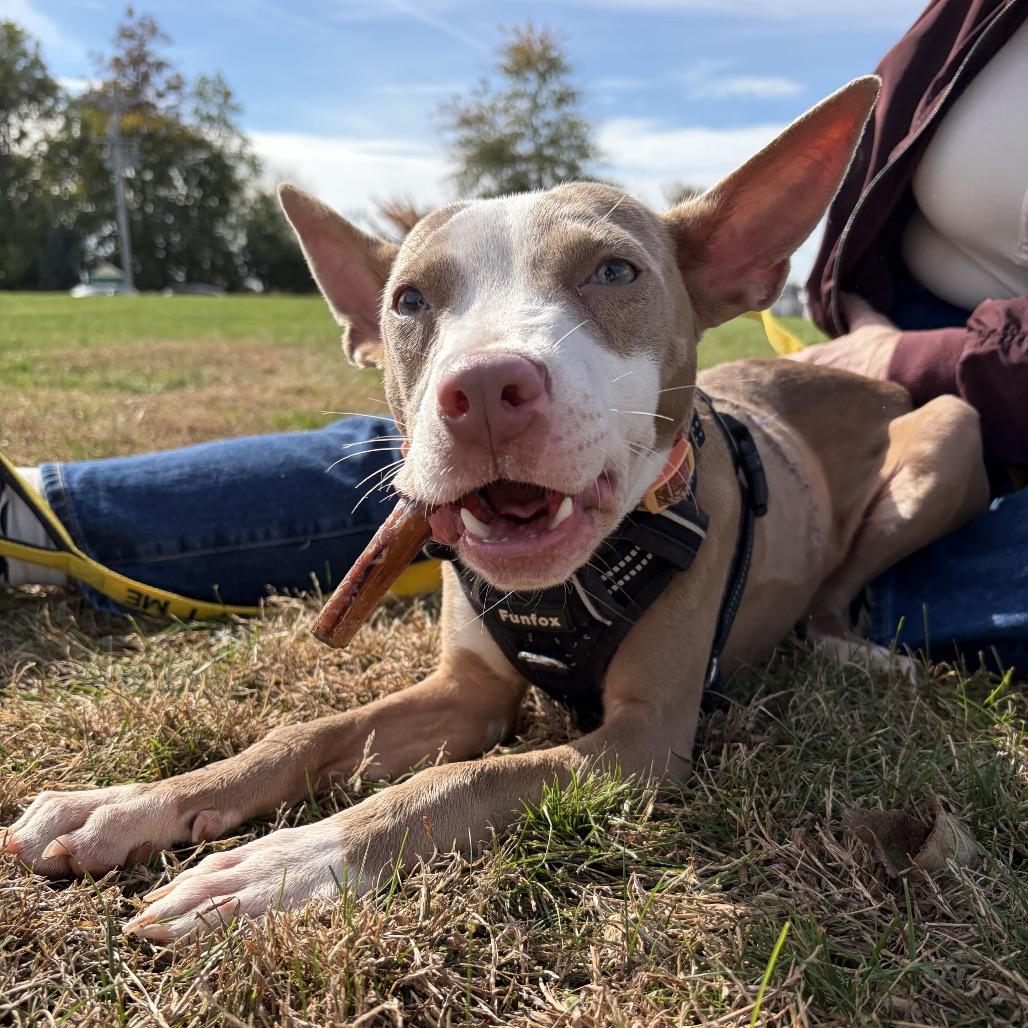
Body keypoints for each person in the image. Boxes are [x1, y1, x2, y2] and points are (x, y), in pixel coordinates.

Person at [3, 0, 1025, 670]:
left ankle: (830, 612)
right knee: (424, 459)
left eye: (612, 267)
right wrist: (868, 324)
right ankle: (53, 513)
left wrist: (919, 359)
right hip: (846, 346)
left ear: (734, 266)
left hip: (977, 409)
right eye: (399, 304)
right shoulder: (962, 22)